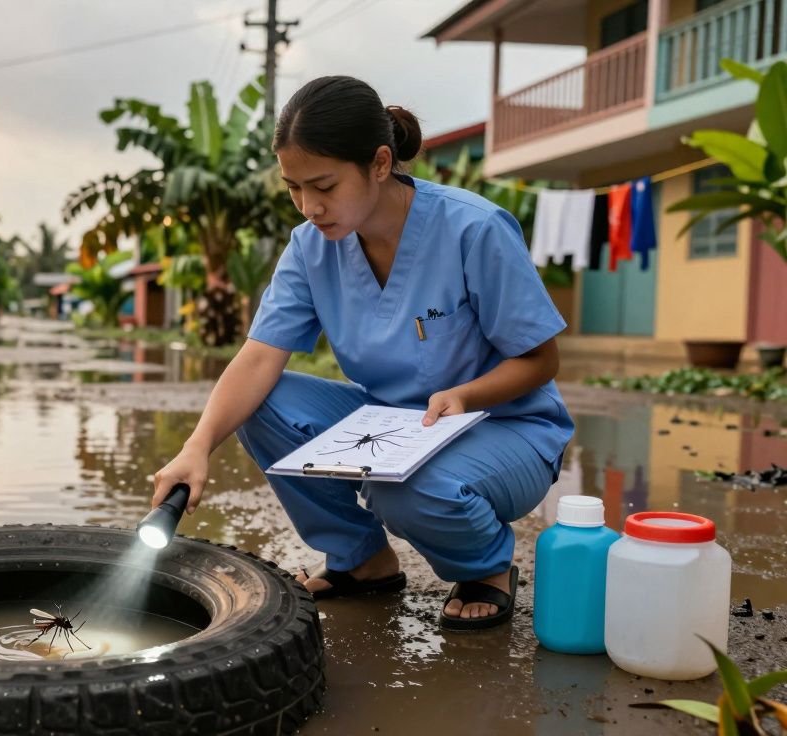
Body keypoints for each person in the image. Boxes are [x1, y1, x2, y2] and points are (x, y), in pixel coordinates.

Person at [151, 76, 574, 631]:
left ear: (379, 163)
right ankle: (363, 560)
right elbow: (258, 358)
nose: (309, 207)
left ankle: (484, 568)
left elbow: (541, 361)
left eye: (323, 185)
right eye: (294, 188)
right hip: (394, 427)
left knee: (403, 487)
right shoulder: (310, 247)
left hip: (505, 427)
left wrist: (466, 394)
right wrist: (197, 446)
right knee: (261, 401)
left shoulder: (475, 229)